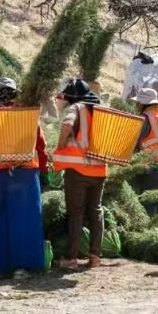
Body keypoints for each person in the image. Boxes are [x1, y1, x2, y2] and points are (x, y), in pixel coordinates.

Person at [0, 78, 48, 279]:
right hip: (25, 173)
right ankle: (23, 267)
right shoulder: (27, 112)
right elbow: (39, 142)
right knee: (24, 219)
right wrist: (44, 168)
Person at [52, 78, 106, 270]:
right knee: (96, 211)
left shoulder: (77, 108)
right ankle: (95, 256)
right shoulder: (100, 109)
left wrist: (60, 144)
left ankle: (71, 258)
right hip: (99, 170)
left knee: (76, 214)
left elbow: (67, 124)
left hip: (77, 170)